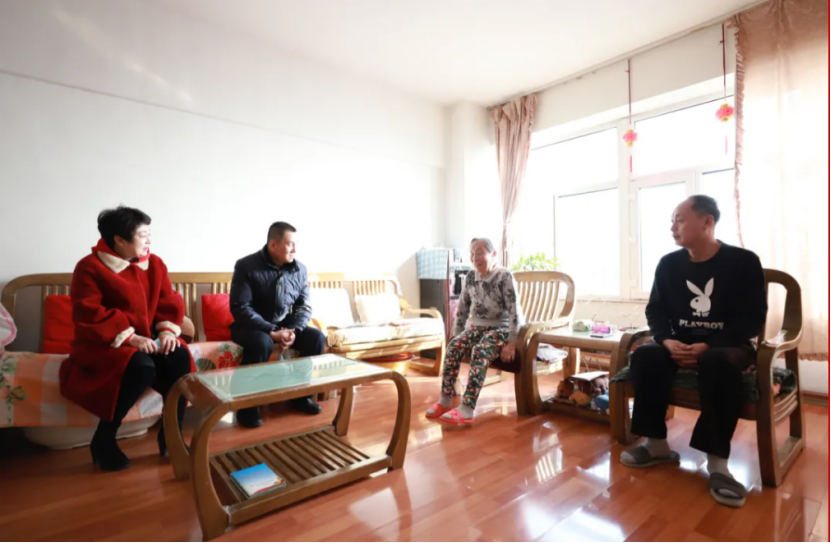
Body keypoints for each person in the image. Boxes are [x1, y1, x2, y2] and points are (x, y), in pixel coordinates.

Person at [620, 195, 767, 509]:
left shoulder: (743, 262)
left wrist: (709, 345)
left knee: (717, 361)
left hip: (728, 346)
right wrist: (666, 340)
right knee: (645, 354)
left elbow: (753, 320)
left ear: (707, 222)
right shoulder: (668, 264)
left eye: (679, 219)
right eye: (672, 221)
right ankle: (656, 445)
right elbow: (656, 310)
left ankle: (718, 464)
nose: (672, 227)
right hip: (679, 342)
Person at [60, 207, 195, 472]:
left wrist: (167, 331)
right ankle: (104, 439)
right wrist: (129, 337)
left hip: (148, 340)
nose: (149, 240)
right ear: (119, 240)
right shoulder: (89, 267)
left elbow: (167, 300)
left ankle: (172, 434)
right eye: (143, 235)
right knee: (140, 366)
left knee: (178, 356)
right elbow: (88, 312)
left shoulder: (155, 264)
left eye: (149, 233)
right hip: (102, 342)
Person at [230, 222, 325, 428]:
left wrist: (294, 330)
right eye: (290, 244)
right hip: (250, 326)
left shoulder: (300, 269)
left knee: (316, 338)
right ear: (273, 245)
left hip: (283, 324)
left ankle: (301, 397)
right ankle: (246, 406)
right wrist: (271, 330)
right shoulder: (246, 266)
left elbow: (303, 307)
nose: (295, 250)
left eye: (296, 244)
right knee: (262, 342)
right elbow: (240, 307)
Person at [426, 238, 525, 425]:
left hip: (501, 328)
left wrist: (512, 343)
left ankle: (467, 408)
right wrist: (457, 335)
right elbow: (462, 308)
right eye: (472, 253)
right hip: (478, 326)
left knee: (480, 350)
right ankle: (445, 399)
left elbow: (515, 311)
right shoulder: (471, 277)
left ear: (493, 254)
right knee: (454, 346)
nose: (474, 257)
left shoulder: (504, 276)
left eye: (479, 253)